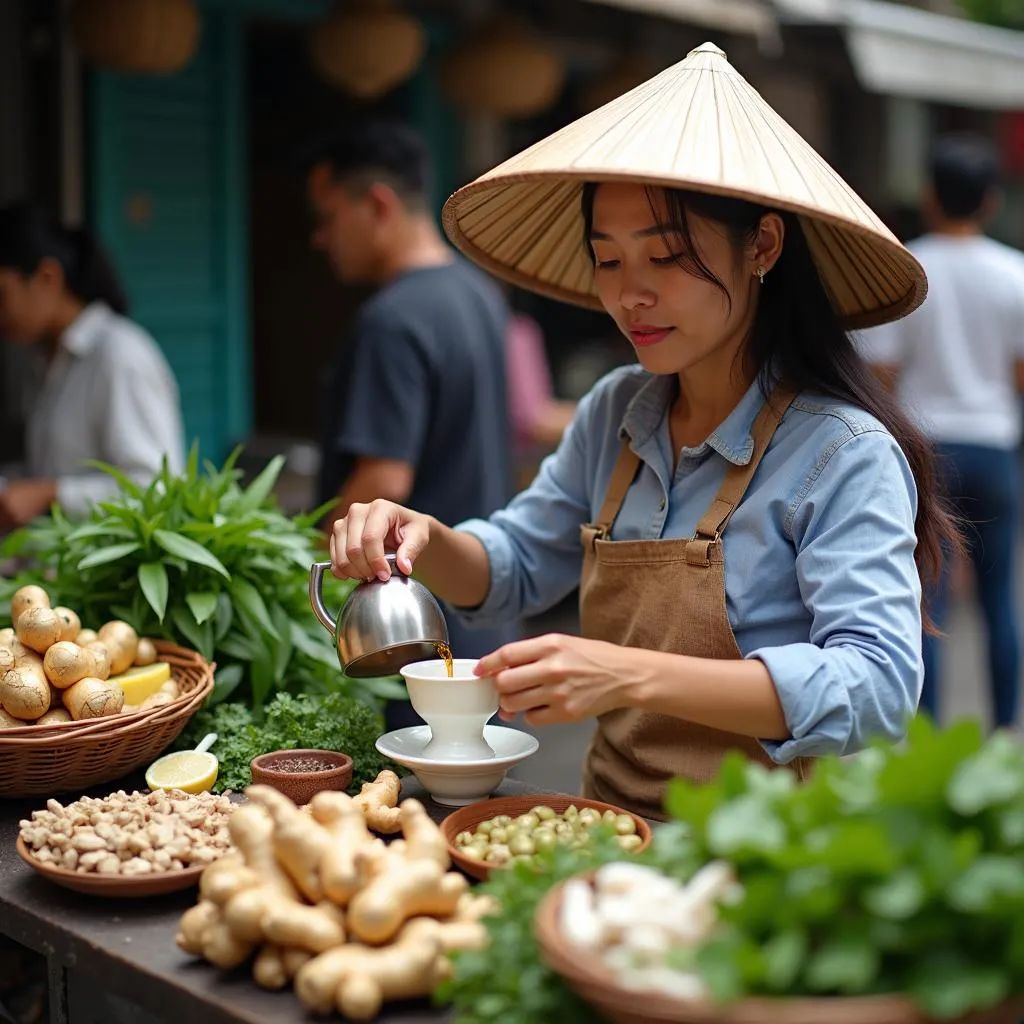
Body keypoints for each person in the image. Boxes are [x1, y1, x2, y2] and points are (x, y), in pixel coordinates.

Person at [328, 42, 958, 820]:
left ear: (762, 246)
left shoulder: (842, 452)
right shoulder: (618, 413)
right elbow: (515, 564)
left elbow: (879, 687)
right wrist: (419, 534)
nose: (631, 296)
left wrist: (626, 674)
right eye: (609, 260)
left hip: (769, 860)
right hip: (613, 834)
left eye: (664, 257)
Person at [304, 119, 519, 729]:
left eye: (326, 217)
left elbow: (383, 484)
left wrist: (305, 557)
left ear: (377, 205)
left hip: (407, 630)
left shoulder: (391, 321)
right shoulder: (477, 293)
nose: (321, 239)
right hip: (481, 608)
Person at [858, 135, 1024, 732]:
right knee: (1000, 601)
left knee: (928, 604)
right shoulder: (1015, 273)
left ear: (929, 197)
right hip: (996, 446)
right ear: (989, 201)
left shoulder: (906, 268)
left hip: (927, 451)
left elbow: (880, 371)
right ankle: (1003, 738)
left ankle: (927, 743)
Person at [0, 203, 185, 529]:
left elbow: (157, 490)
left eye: (1, 296)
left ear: (47, 278)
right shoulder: (45, 360)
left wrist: (50, 494)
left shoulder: (120, 355)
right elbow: (50, 467)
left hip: (109, 577)